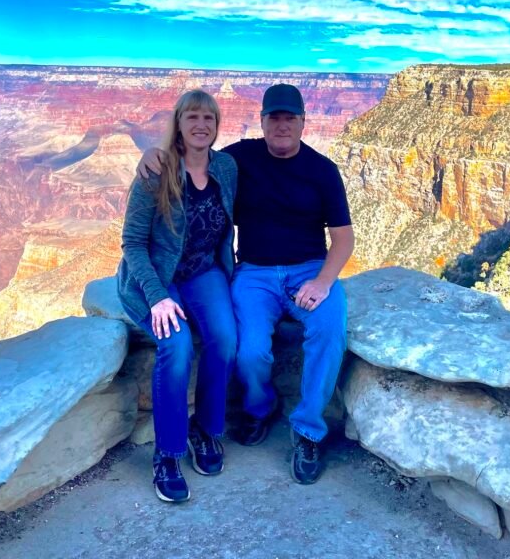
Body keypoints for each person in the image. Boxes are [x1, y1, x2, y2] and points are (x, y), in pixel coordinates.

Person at [139, 83, 354, 485]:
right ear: (263, 121)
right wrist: (154, 155)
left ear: (304, 122)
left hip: (310, 269)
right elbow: (195, 157)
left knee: (329, 332)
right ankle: (260, 409)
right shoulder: (239, 159)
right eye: (275, 117)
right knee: (249, 350)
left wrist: (324, 282)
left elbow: (343, 239)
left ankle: (308, 431)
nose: (282, 125)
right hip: (254, 273)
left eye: (291, 118)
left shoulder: (323, 171)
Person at [117, 89, 238, 503]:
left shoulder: (227, 166)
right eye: (192, 117)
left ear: (217, 125)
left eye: (209, 118)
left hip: (204, 271)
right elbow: (132, 242)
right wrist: (156, 297)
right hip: (158, 275)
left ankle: (204, 432)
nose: (201, 125)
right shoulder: (158, 170)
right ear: (179, 124)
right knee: (178, 344)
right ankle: (167, 453)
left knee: (224, 338)